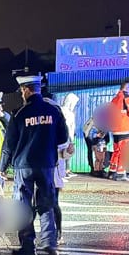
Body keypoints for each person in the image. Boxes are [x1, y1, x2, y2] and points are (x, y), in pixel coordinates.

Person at [0, 74, 69, 255]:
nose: (22, 94)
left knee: (23, 205)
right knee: (46, 203)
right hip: (47, 164)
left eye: (22, 91)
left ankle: (28, 247)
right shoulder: (54, 111)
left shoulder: (19, 114)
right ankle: (50, 244)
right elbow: (63, 139)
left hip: (24, 166)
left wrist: (2, 166)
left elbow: (9, 144)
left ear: (26, 90)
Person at [52, 93, 78, 242]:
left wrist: (68, 152)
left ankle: (58, 233)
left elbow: (65, 152)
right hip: (41, 171)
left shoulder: (61, 128)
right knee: (39, 204)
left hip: (54, 171)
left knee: (54, 203)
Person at [107, 82, 129, 181]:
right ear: (127, 88)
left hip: (115, 130)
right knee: (125, 152)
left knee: (116, 151)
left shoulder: (114, 99)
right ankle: (121, 174)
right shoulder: (127, 97)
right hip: (125, 128)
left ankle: (112, 172)